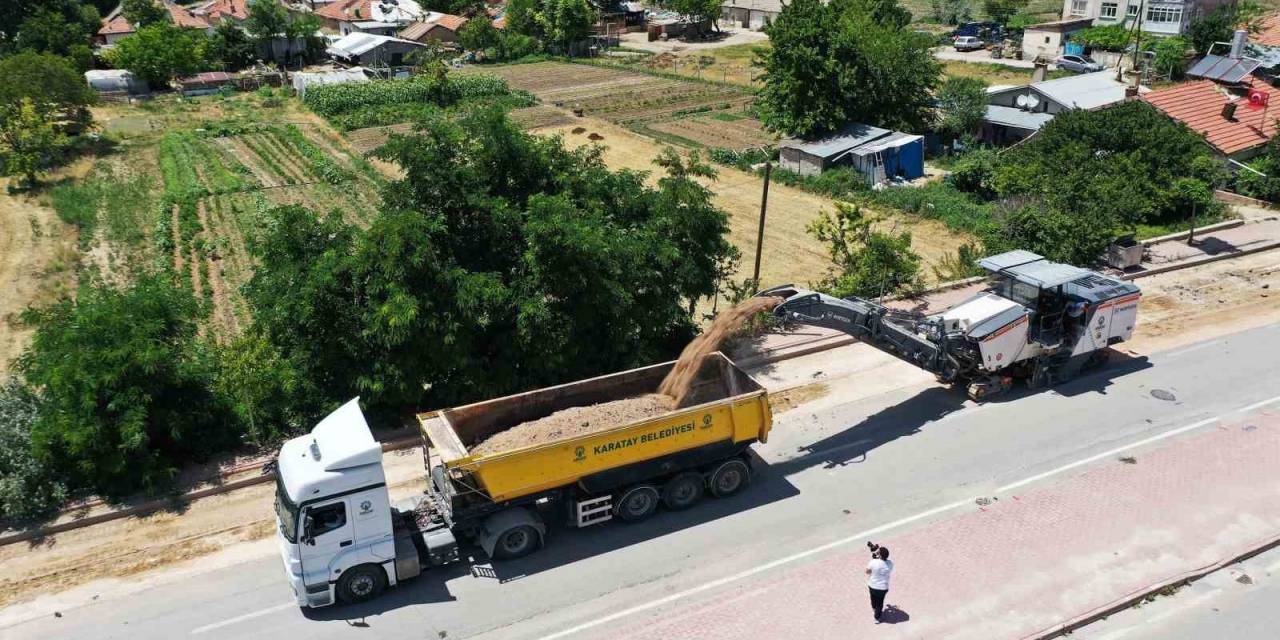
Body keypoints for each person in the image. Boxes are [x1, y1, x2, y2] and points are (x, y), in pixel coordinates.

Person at [864, 545, 893, 623]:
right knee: (880, 603)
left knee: (873, 599)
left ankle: (874, 609)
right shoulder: (890, 563)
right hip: (883, 588)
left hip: (872, 585)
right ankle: (877, 618)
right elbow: (882, 562)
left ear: (879, 555)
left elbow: (867, 572)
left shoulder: (873, 562)